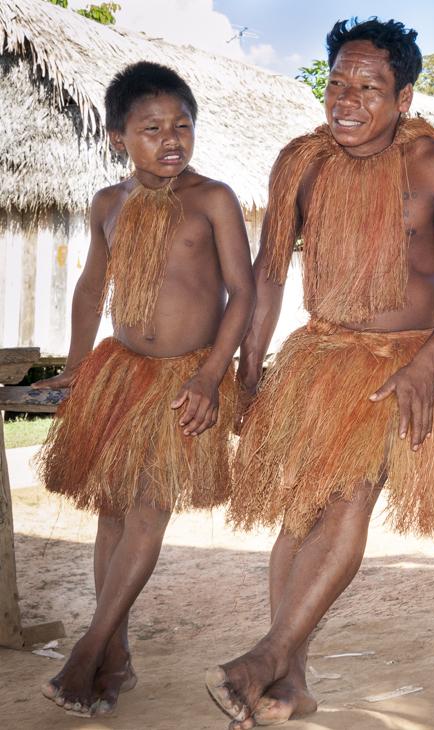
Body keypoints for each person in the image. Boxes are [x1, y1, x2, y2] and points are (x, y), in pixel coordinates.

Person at [205, 18, 434, 727]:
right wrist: (248, 368)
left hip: (401, 365)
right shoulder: (300, 163)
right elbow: (268, 279)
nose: (348, 100)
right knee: (299, 517)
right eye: (337, 83)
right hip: (317, 358)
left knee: (349, 499)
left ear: (405, 97)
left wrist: (426, 368)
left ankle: (267, 657)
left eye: (369, 87)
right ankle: (290, 680)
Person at [35, 61, 254, 716]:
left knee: (149, 508)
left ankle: (89, 650)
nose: (171, 140)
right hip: (122, 373)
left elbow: (242, 293)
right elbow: (91, 289)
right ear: (117, 138)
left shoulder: (212, 198)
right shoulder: (107, 204)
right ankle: (118, 654)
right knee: (110, 511)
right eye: (152, 128)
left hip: (188, 378)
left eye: (182, 126)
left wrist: (213, 375)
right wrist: (77, 368)